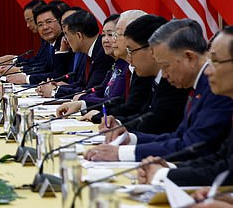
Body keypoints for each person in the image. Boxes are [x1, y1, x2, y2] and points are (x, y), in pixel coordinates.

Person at [85, 19, 233, 162]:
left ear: (189, 57)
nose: (165, 75)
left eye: (165, 66)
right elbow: (179, 137)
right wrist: (131, 139)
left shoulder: (215, 88)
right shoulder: (201, 85)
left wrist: (125, 154)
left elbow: (194, 147)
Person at [137, 26, 233, 187]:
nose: (208, 71)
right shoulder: (205, 89)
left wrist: (163, 174)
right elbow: (222, 159)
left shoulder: (216, 93)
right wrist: (169, 168)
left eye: (215, 61)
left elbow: (224, 168)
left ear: (189, 56)